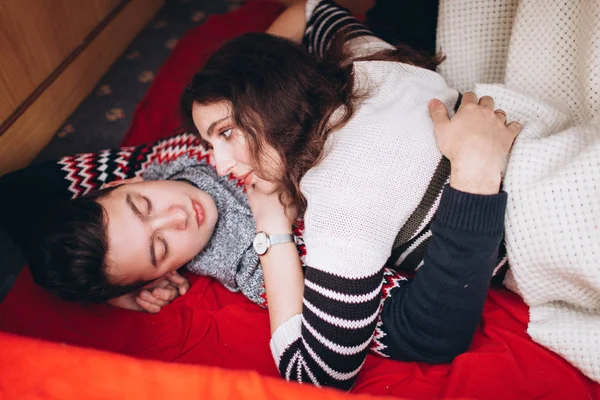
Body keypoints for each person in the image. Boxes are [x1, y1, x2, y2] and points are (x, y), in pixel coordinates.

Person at [180, 0, 522, 390]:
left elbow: (315, 374)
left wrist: (272, 226)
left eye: (226, 132)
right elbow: (312, 11)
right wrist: (257, 63)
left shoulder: (340, 195)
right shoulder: (365, 64)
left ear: (269, 94)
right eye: (210, 144)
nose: (220, 165)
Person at [29, 155, 267, 313]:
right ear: (164, 275)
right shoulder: (248, 264)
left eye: (145, 205)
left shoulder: (159, 159)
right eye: (162, 247)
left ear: (123, 182)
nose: (179, 216)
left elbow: (14, 191)